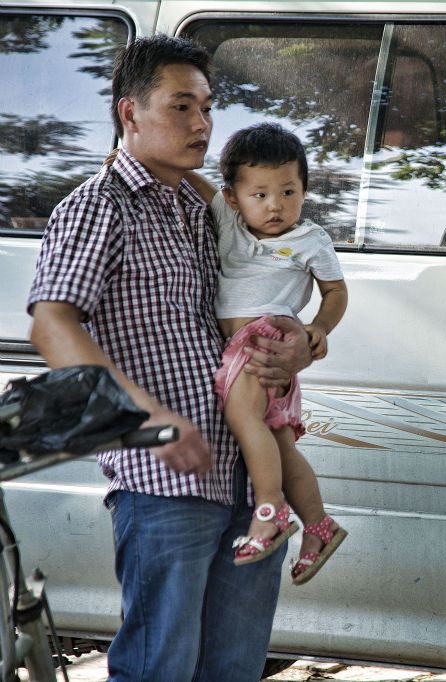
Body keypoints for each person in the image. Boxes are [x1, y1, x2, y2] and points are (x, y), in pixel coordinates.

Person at [27, 35, 312, 681]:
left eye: (208, 108)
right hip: (166, 487)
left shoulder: (203, 207)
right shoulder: (95, 207)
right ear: (130, 113)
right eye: (182, 107)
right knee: (160, 667)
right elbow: (52, 325)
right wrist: (146, 419)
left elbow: (261, 297)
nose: (203, 124)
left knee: (233, 669)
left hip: (249, 478)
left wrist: (304, 342)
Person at [177, 122, 348, 584]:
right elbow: (198, 180)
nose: (275, 205)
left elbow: (334, 291)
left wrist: (319, 327)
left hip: (265, 340)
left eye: (288, 192)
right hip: (241, 345)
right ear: (235, 198)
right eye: (260, 195)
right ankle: (319, 526)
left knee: (243, 419)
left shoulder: (311, 239)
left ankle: (268, 514)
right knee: (279, 441)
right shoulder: (228, 218)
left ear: (304, 190)